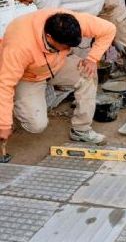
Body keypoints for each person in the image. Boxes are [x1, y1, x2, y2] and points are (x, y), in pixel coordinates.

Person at [0, 9, 115, 144]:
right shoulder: (18, 46)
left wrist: (92, 59)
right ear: (49, 37)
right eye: (65, 46)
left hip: (57, 64)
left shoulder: (69, 21)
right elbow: (5, 85)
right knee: (36, 126)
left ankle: (81, 130)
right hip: (28, 76)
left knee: (88, 73)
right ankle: (14, 108)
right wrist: (4, 124)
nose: (68, 48)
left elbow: (109, 29)